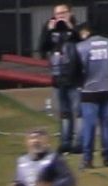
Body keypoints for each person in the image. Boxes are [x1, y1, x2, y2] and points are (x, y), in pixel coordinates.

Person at [75, 23, 108, 169]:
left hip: (89, 90)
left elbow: (76, 69)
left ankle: (88, 159)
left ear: (86, 32)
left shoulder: (81, 47)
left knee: (89, 125)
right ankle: (107, 157)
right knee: (106, 124)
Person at [38, 5, 80, 153]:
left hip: (75, 77)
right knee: (64, 112)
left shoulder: (76, 28)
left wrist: (71, 28)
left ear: (70, 13)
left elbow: (81, 44)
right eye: (57, 14)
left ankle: (79, 143)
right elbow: (42, 49)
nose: (60, 16)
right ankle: (65, 142)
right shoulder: (50, 29)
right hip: (58, 77)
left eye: (63, 13)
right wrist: (49, 31)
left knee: (78, 112)